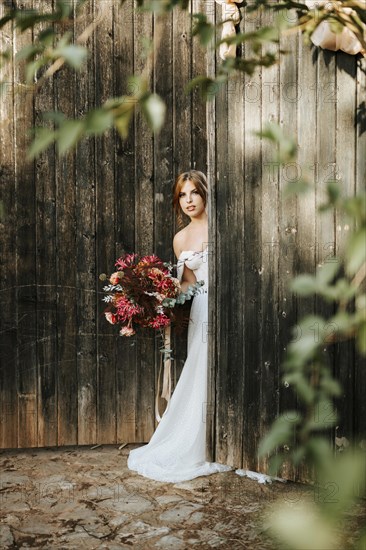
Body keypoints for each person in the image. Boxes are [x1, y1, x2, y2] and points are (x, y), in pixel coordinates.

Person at [127, 170, 233, 482]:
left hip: (228, 305)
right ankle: (196, 443)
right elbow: (189, 285)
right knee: (200, 371)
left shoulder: (223, 226)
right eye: (182, 195)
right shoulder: (181, 238)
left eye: (194, 193)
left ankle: (232, 443)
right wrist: (162, 294)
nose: (188, 200)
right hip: (202, 309)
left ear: (204, 194)